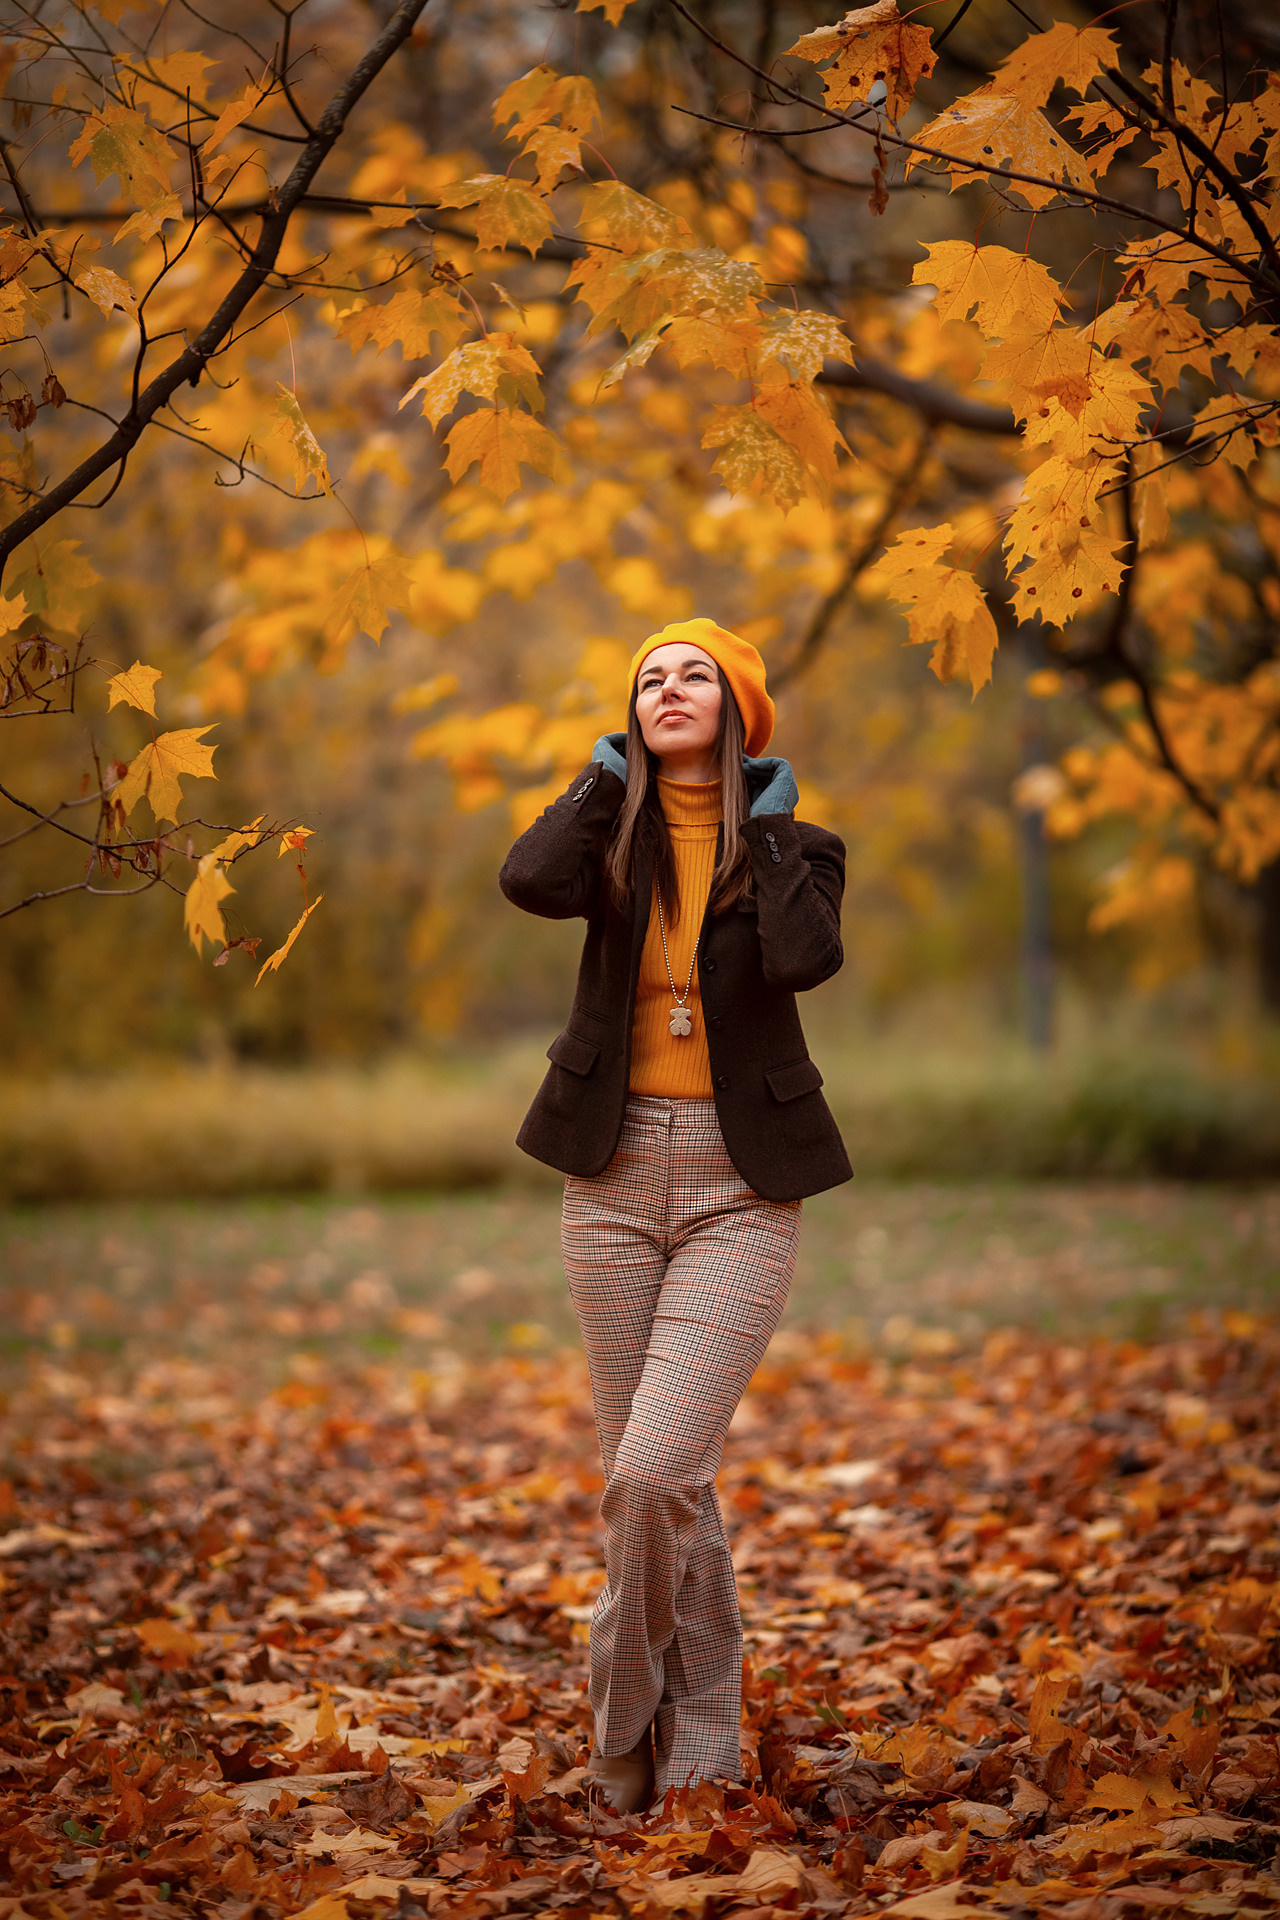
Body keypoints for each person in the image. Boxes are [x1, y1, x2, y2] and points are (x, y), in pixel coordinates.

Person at [499, 617, 852, 1814]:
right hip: (607, 1178)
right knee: (662, 1481)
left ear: (741, 708)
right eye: (647, 677)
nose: (667, 689)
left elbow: (807, 961)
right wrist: (605, 778)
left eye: (694, 673)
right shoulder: (608, 839)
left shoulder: (800, 848)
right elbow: (527, 881)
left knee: (654, 1474)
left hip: (738, 1184)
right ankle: (701, 1750)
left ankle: (615, 1718)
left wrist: (759, 820)